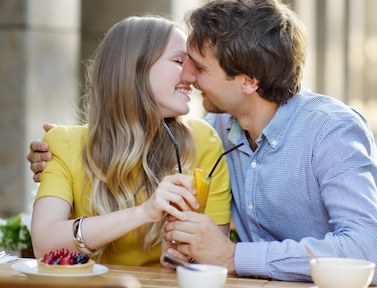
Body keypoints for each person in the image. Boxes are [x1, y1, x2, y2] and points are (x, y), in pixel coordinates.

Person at [29, 0, 377, 286]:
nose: (189, 76)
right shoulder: (219, 130)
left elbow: (365, 251)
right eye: (182, 63)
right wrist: (62, 153)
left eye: (199, 67)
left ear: (248, 82)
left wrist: (235, 256)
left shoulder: (331, 131)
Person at [30, 15, 231, 269]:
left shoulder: (204, 141)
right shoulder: (64, 143)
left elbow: (212, 256)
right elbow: (43, 244)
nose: (191, 76)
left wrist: (184, 256)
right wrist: (143, 213)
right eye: (179, 61)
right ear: (135, 68)